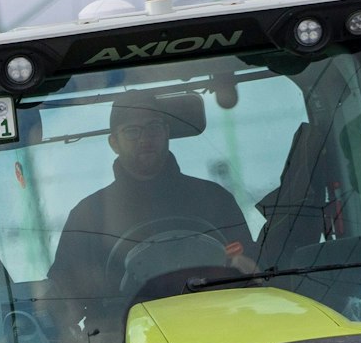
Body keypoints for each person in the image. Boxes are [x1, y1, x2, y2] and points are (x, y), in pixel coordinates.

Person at [45, 91, 257, 310]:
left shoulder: (215, 198)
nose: (145, 139)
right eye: (132, 131)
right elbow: (65, 299)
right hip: (121, 336)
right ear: (114, 142)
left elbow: (254, 271)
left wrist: (246, 266)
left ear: (166, 132)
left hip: (217, 322)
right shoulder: (87, 215)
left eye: (153, 127)